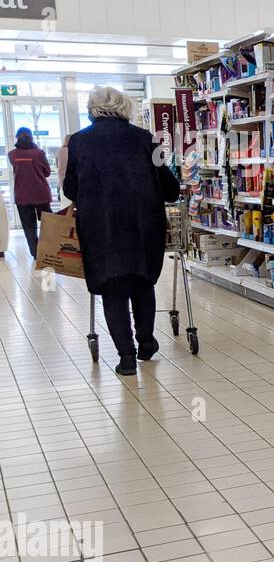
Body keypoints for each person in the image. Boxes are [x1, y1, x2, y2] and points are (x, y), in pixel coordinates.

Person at [64, 86, 180, 376]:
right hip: (144, 226)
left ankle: (126, 357)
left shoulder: (78, 142)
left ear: (92, 109)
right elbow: (169, 188)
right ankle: (146, 342)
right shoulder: (146, 140)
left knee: (112, 289)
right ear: (124, 107)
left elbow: (70, 189)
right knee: (142, 282)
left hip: (101, 228)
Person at [7, 126, 52, 257]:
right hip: (41, 194)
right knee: (48, 223)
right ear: (32, 137)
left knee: (29, 227)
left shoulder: (12, 154)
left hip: (22, 196)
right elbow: (47, 172)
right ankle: (49, 250)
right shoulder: (39, 153)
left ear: (17, 137)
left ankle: (35, 254)